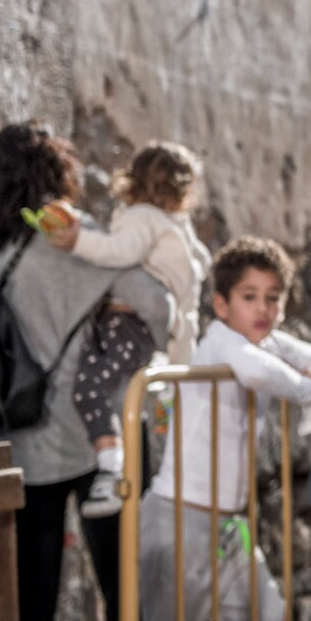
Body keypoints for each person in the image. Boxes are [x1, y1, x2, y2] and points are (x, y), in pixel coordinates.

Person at [0, 122, 171, 621]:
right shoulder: (77, 242)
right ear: (58, 180)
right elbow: (159, 304)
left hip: (14, 442)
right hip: (100, 439)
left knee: (28, 609)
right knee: (125, 591)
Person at [136, 238, 311, 621]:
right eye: (250, 297)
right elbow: (269, 371)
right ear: (222, 304)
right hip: (179, 514)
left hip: (226, 521)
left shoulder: (259, 341)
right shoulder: (221, 341)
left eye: (274, 297)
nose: (264, 308)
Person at [49, 140, 209, 518]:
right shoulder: (179, 231)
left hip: (127, 324)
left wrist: (77, 242)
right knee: (143, 405)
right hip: (155, 334)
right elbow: (185, 311)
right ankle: (155, 472)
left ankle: (109, 470)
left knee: (89, 388)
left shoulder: (141, 217)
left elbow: (120, 252)